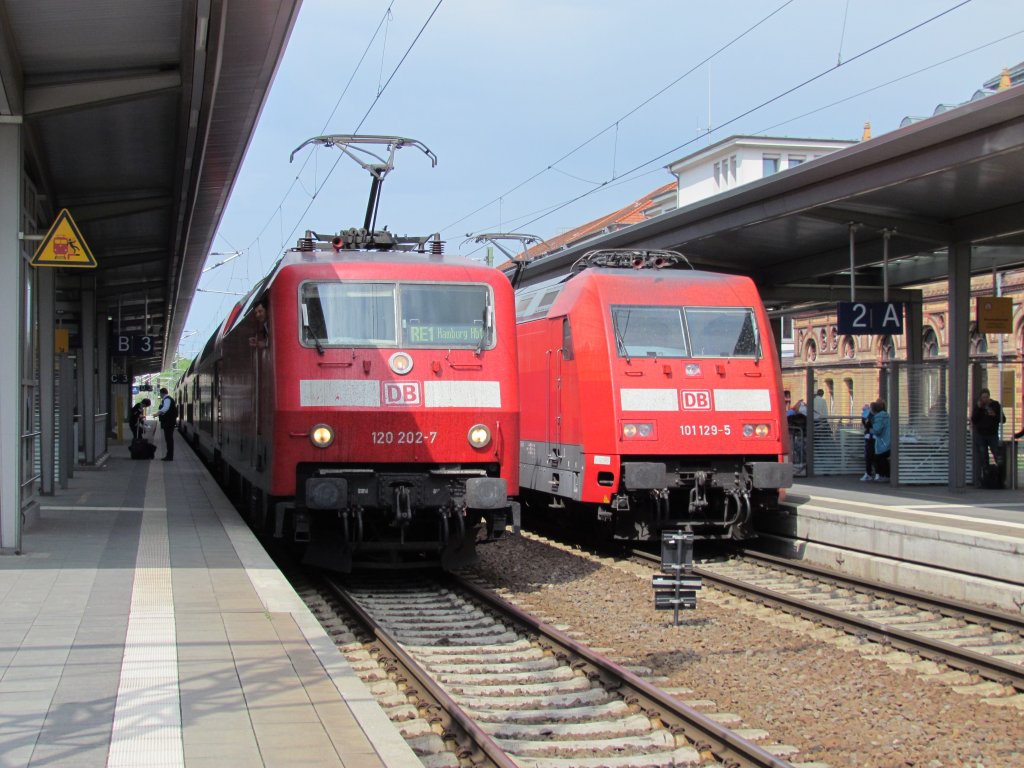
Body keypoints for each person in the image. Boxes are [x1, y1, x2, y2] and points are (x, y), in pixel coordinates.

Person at [971, 388, 1005, 477]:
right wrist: (978, 408)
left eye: (986, 397)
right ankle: (986, 475)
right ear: (980, 398)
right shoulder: (979, 407)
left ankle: (1001, 475)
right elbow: (974, 419)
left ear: (989, 397)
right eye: (983, 397)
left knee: (996, 453)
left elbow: (1003, 419)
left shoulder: (995, 405)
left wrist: (994, 415)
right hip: (981, 435)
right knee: (983, 455)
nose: (985, 399)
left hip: (992, 434)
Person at [869, 399, 891, 481]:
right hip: (888, 441)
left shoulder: (878, 417)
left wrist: (870, 429)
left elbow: (877, 430)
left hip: (883, 442)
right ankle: (885, 475)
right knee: (881, 457)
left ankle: (884, 475)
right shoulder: (886, 416)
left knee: (879, 457)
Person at [157, 387, 176, 461]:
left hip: (168, 422)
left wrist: (157, 413)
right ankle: (169, 456)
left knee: (169, 439)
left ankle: (169, 456)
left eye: (160, 394)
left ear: (162, 393)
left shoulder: (167, 399)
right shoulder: (168, 399)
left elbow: (165, 408)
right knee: (169, 439)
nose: (160, 395)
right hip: (169, 422)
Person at [860, 402, 875, 482]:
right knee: (871, 456)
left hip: (870, 438)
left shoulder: (869, 416)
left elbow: (867, 426)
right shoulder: (873, 416)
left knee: (868, 456)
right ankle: (872, 473)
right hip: (872, 437)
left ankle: (868, 473)